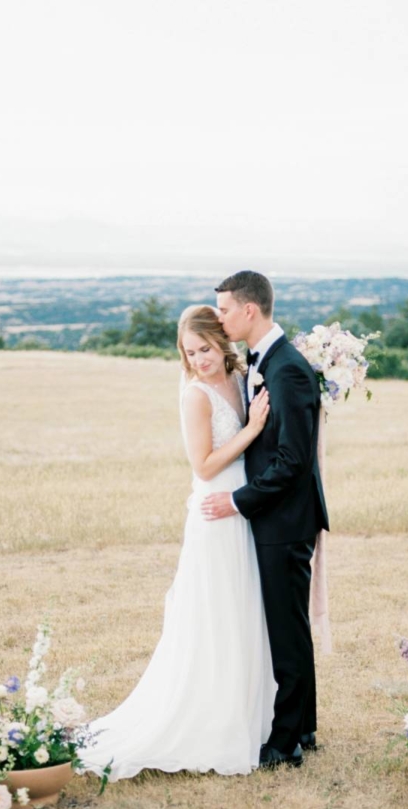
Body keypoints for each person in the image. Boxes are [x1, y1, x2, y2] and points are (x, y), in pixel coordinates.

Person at [78, 305, 276, 781]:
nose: (200, 360)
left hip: (242, 508)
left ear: (221, 340)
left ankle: (247, 713)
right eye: (190, 353)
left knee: (243, 610)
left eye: (205, 349)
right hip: (214, 510)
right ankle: (208, 720)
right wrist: (250, 431)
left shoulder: (241, 372)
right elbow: (204, 465)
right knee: (214, 613)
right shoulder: (196, 395)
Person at [202, 270, 329, 769]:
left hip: (285, 519)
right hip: (279, 516)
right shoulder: (264, 361)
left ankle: (284, 741)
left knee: (286, 630)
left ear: (249, 310)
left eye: (225, 309)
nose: (219, 317)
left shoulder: (287, 369)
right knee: (289, 625)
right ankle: (305, 726)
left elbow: (293, 460)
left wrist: (238, 500)